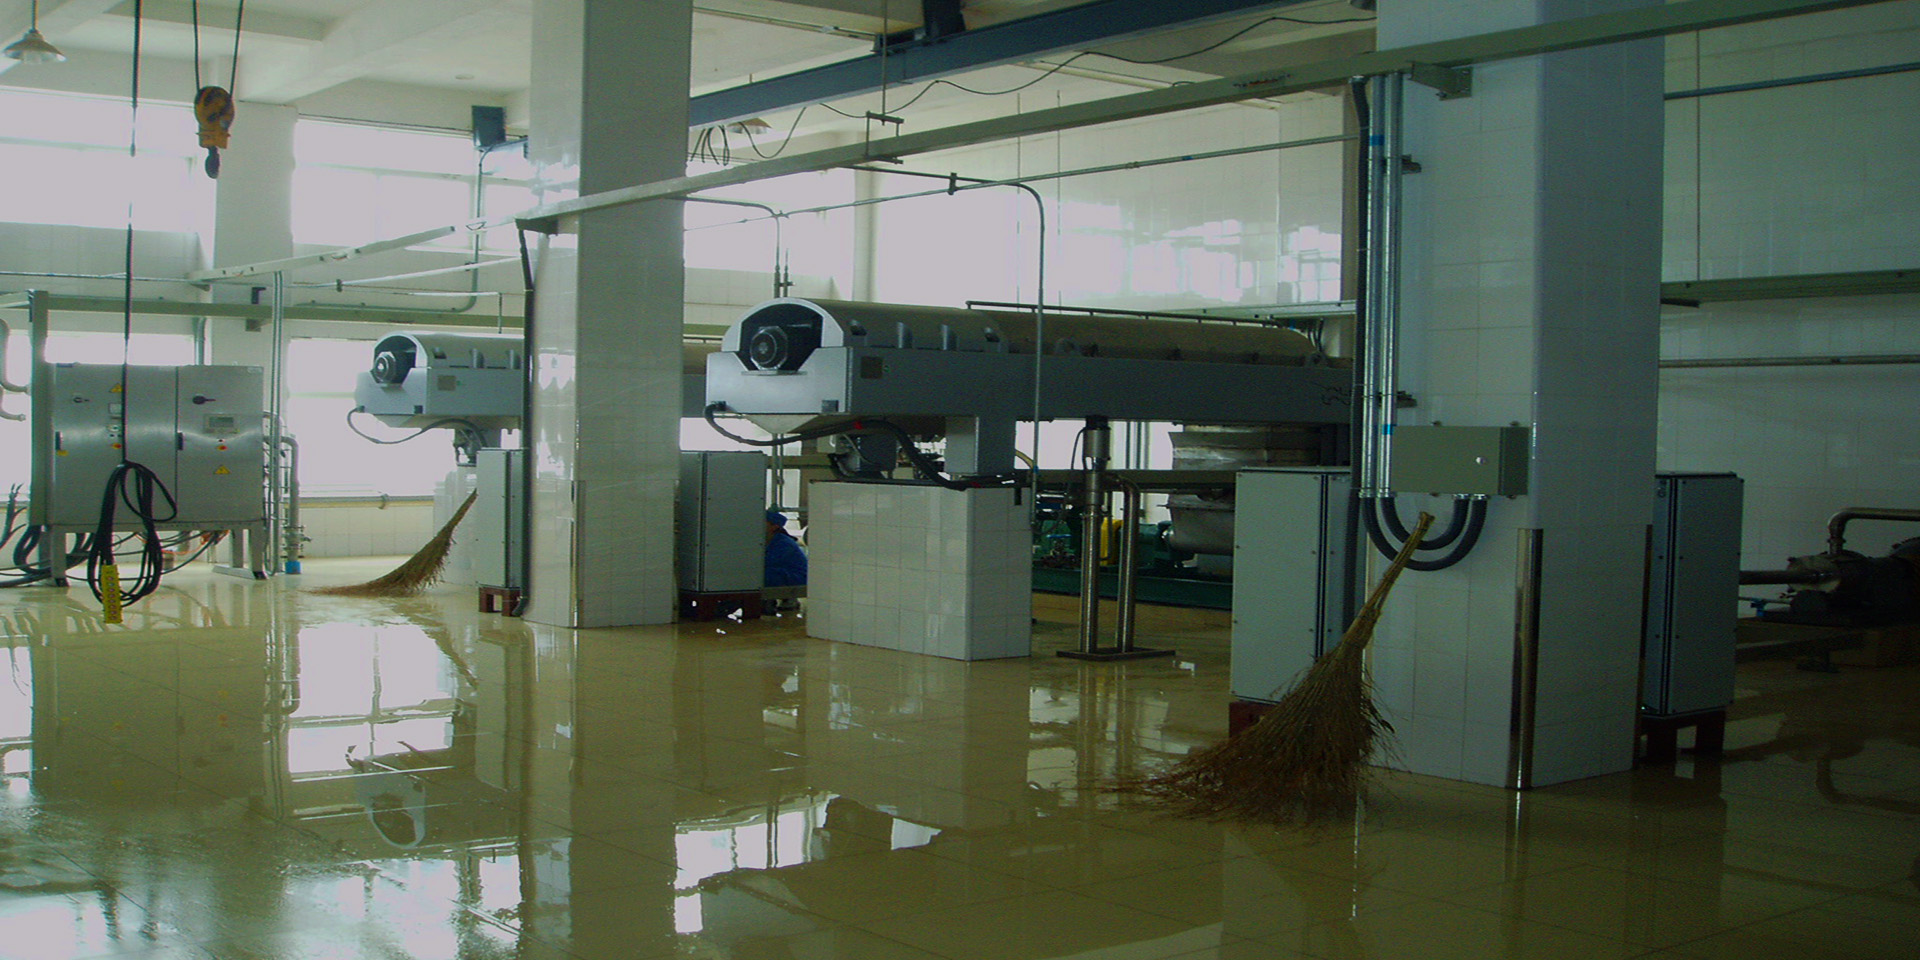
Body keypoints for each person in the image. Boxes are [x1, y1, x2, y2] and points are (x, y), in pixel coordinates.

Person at [764, 508, 807, 587]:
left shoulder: (783, 544)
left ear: (774, 526)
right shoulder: (769, 541)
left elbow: (765, 564)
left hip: (796, 581)